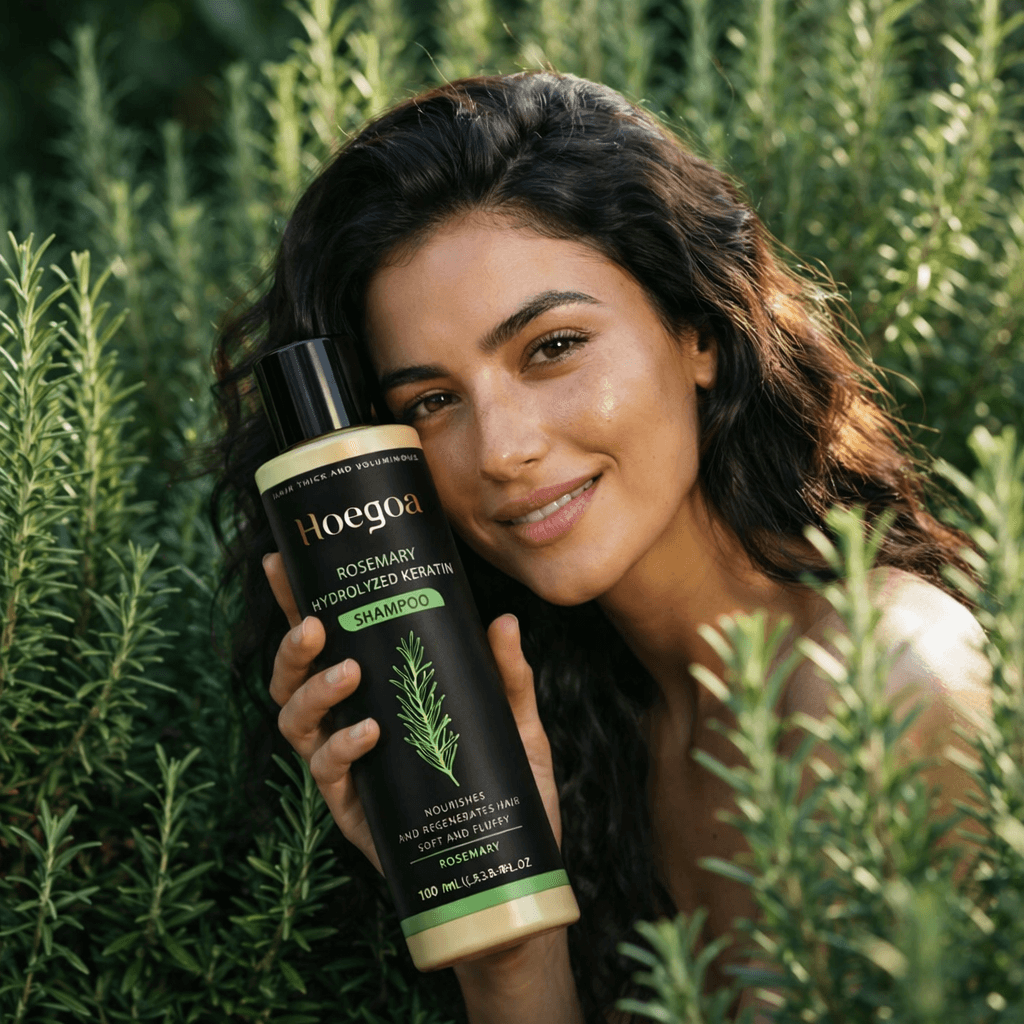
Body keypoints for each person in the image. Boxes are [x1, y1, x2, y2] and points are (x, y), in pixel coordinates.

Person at [211, 72, 991, 1023]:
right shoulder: (595, 726)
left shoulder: (890, 686)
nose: (501, 451)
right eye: (433, 401)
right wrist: (506, 936)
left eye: (552, 347)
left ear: (699, 329)